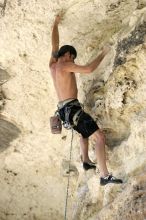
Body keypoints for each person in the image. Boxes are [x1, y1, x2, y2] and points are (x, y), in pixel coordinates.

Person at [49, 15, 123, 186]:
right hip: (72, 110)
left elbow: (54, 45)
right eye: (73, 58)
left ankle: (86, 160)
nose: (73, 62)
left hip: (64, 112)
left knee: (84, 132)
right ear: (68, 55)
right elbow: (89, 69)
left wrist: (56, 23)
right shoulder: (64, 65)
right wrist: (103, 53)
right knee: (99, 137)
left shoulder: (52, 65)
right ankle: (105, 176)